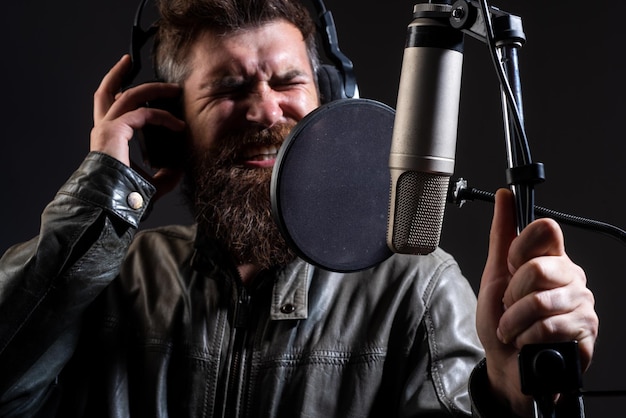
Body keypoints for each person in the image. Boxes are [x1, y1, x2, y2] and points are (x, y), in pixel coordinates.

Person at [0, 0, 598, 416]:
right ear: (174, 127)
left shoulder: (417, 288)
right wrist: (100, 197)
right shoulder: (102, 279)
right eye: (230, 89)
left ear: (332, 101)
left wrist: (506, 395)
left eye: (288, 83)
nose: (265, 112)